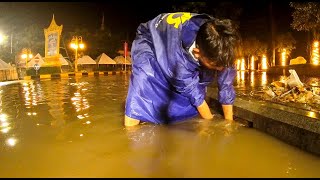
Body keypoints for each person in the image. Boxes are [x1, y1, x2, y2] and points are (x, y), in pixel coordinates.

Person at [124, 12, 239, 127]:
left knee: (185, 106)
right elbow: (193, 92)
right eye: (215, 65)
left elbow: (226, 85)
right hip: (150, 38)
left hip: (182, 45)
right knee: (143, 83)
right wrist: (209, 125)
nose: (221, 69)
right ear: (197, 53)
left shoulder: (222, 46)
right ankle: (131, 128)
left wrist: (228, 124)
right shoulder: (177, 56)